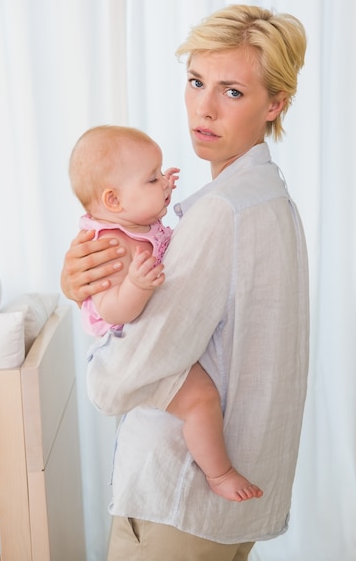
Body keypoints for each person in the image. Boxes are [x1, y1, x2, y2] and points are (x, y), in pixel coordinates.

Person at [61, 4, 310, 561]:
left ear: (275, 104)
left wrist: (101, 341)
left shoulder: (222, 214)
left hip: (177, 503)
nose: (204, 107)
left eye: (232, 92)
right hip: (221, 512)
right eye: (196, 82)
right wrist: (90, 281)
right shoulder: (270, 200)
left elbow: (120, 379)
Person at [69, 124, 262, 502]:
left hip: (151, 336)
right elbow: (108, 309)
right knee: (201, 399)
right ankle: (219, 473)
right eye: (152, 178)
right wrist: (135, 288)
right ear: (113, 201)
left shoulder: (134, 222)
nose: (163, 182)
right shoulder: (109, 246)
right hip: (126, 346)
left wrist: (159, 192)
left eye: (161, 175)